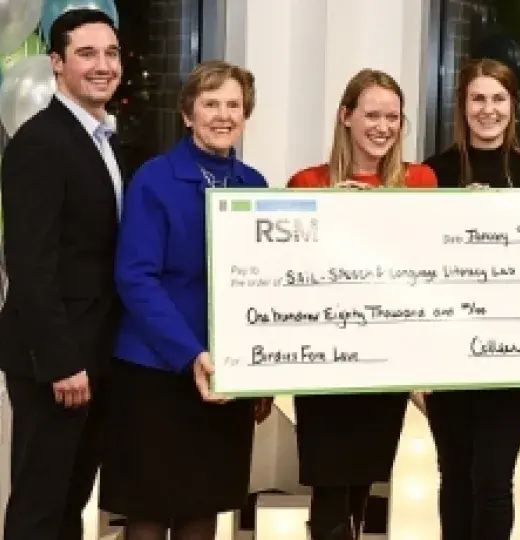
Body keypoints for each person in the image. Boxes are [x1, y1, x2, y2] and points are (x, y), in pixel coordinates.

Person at [98, 61, 272, 540]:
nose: (223, 115)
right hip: (156, 372)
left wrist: (264, 371)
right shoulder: (154, 179)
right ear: (187, 113)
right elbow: (135, 279)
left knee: (204, 508)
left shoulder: (254, 185)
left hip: (227, 377)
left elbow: (265, 283)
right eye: (210, 103)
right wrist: (190, 354)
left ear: (246, 114)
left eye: (233, 105)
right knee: (150, 514)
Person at [287, 68, 436, 540]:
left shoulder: (421, 182)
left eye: (393, 117)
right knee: (329, 484)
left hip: (385, 363)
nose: (383, 126)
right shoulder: (307, 183)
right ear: (345, 116)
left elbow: (429, 268)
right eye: (372, 114)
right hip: (325, 363)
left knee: (364, 481)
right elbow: (288, 274)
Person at [421, 58, 520, 540]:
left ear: (513, 106)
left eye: (498, 99)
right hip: (445, 357)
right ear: (461, 104)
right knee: (454, 477)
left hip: (512, 362)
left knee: (494, 482)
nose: (488, 109)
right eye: (478, 98)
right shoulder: (428, 176)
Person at [0, 10, 125, 539]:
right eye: (87, 54)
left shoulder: (105, 141)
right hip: (55, 364)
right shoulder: (40, 141)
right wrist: (62, 362)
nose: (103, 66)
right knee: (40, 507)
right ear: (56, 64)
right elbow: (29, 263)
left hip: (93, 354)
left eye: (112, 53)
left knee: (70, 502)